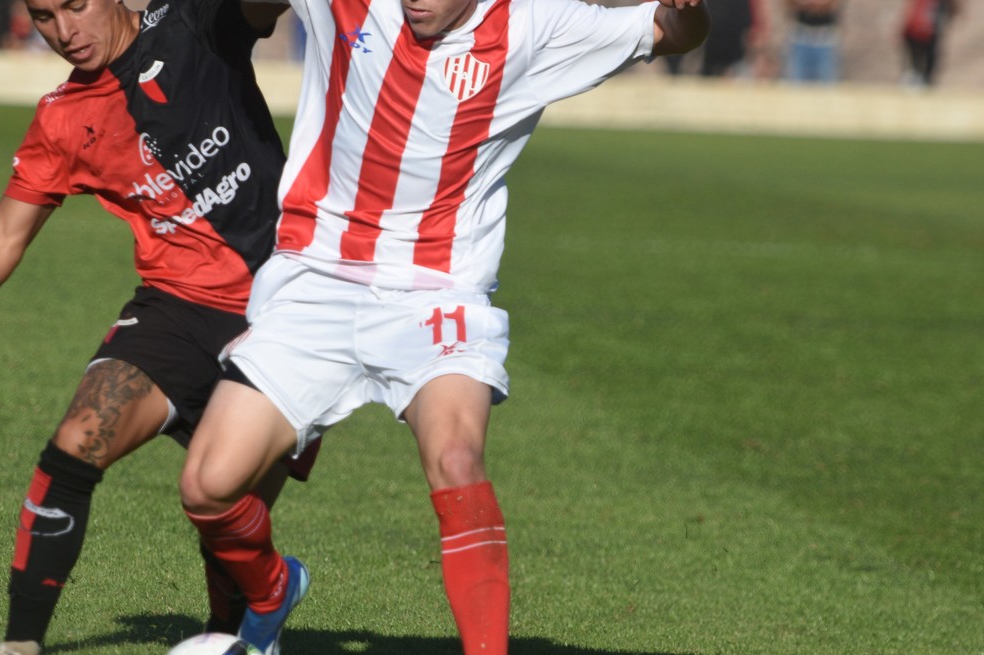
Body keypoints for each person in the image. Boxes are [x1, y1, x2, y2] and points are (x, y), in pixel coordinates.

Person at [175, 0, 710, 654]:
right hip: (315, 281)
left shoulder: (534, 26)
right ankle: (271, 588)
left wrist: (691, 10)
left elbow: (670, 31)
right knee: (206, 487)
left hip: (437, 295)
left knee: (456, 458)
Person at [0, 0, 313, 654]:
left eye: (76, 6)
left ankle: (238, 633)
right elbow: (3, 235)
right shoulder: (63, 117)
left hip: (288, 304)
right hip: (174, 304)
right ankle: (22, 642)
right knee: (77, 440)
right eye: (46, 16)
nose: (64, 32)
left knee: (225, 506)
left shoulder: (196, 23)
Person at [901, 0, 959, 87]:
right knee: (917, 63)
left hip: (928, 33)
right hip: (917, 32)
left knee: (929, 62)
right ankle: (917, 83)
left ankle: (924, 83)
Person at [783, 0, 842, 84]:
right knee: (796, 84)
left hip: (825, 36)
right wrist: (804, 4)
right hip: (801, 34)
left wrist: (821, 4)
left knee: (826, 85)